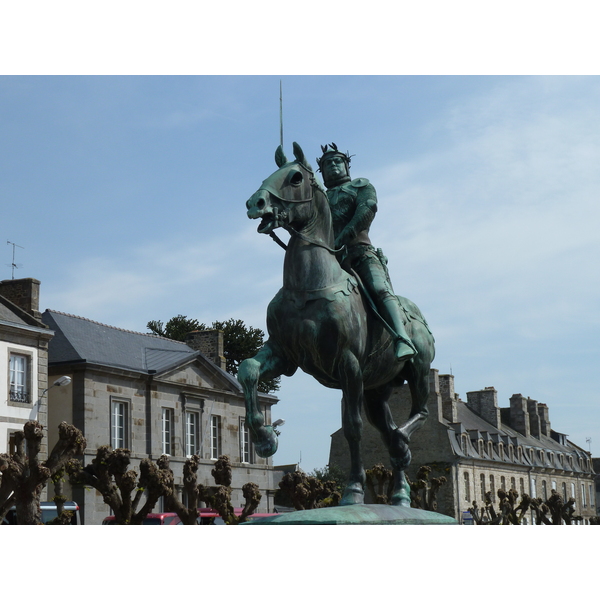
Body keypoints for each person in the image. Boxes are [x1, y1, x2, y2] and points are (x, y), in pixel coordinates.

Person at [316, 143, 417, 361]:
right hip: (330, 260)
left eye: (337, 161)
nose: (333, 165)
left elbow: (365, 212)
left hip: (359, 253)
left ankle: (402, 338)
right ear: (321, 172)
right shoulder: (318, 197)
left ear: (346, 166)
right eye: (327, 163)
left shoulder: (361, 187)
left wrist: (341, 239)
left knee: (380, 289)